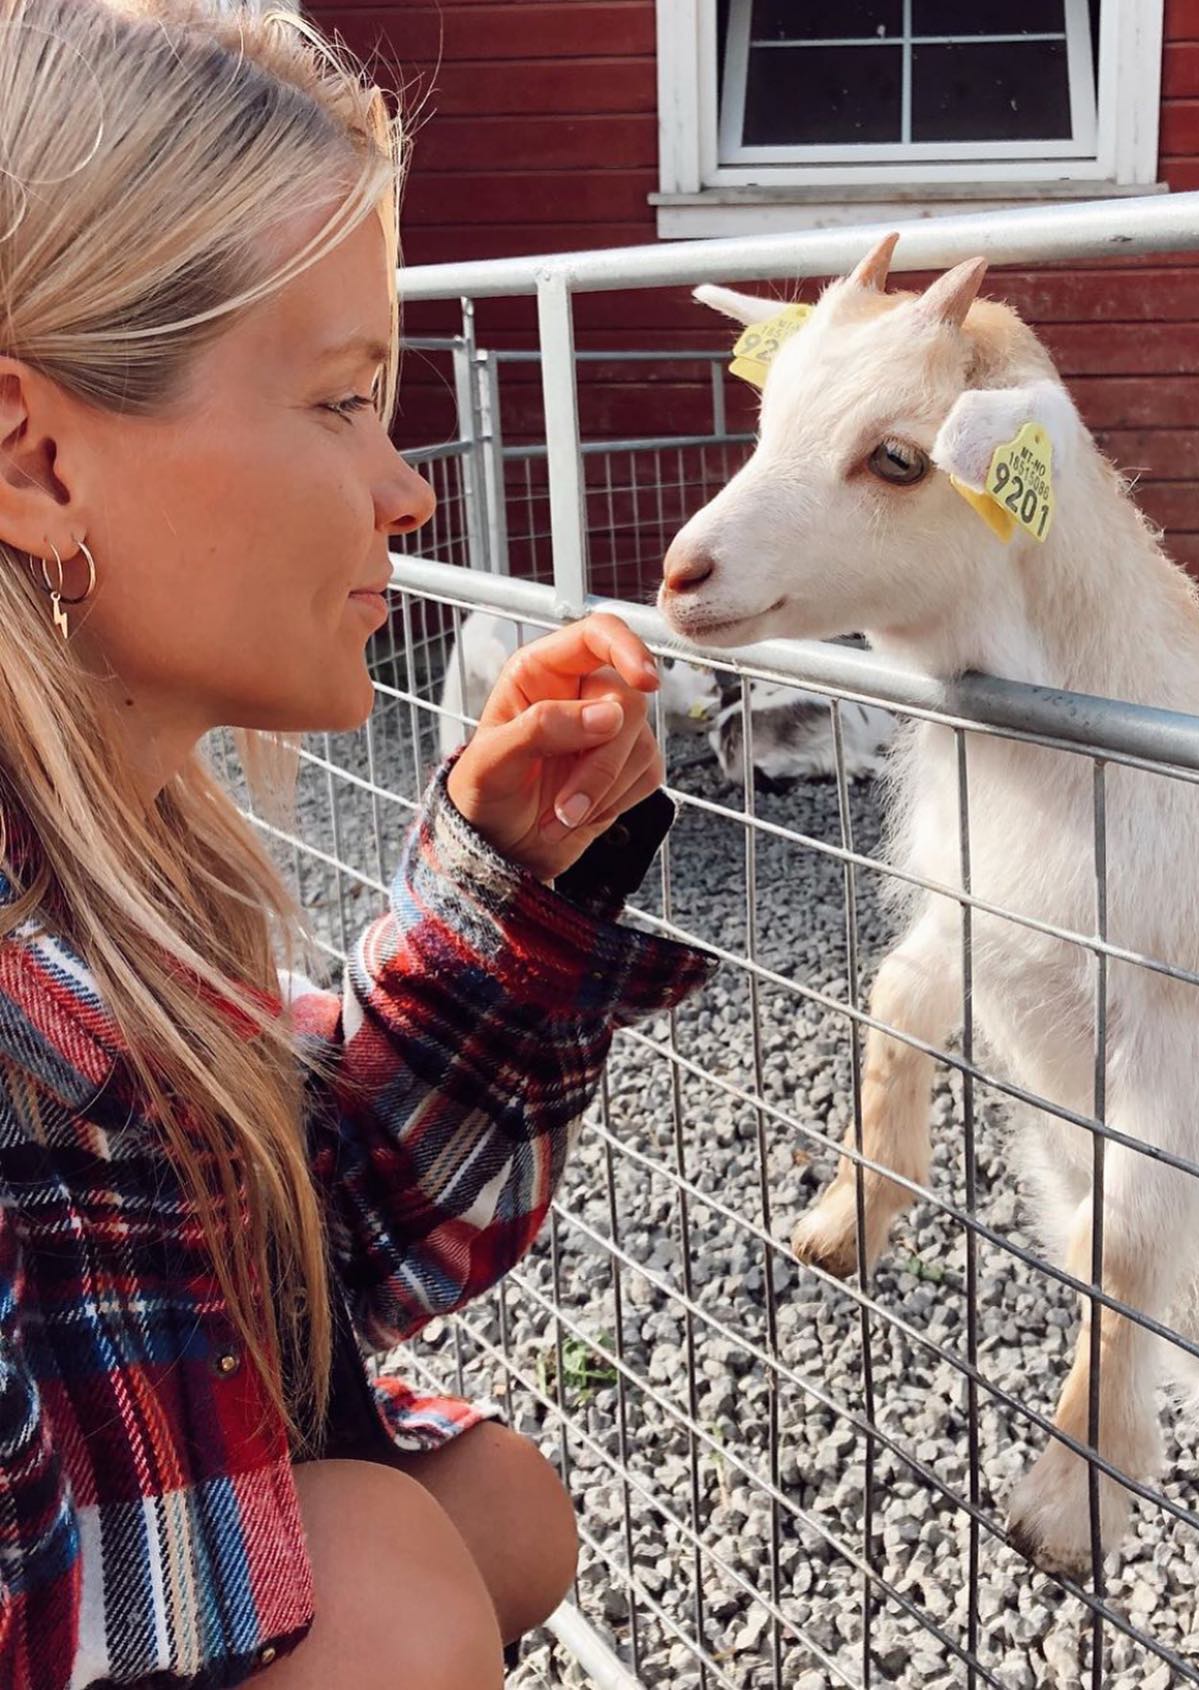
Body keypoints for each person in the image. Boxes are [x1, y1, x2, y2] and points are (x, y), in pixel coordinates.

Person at [0, 3, 713, 1686]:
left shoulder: (129, 883)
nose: (406, 491)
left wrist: (497, 890)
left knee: (497, 1507)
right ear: (36, 459)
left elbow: (301, 1270)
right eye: (339, 403)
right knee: (393, 1576)